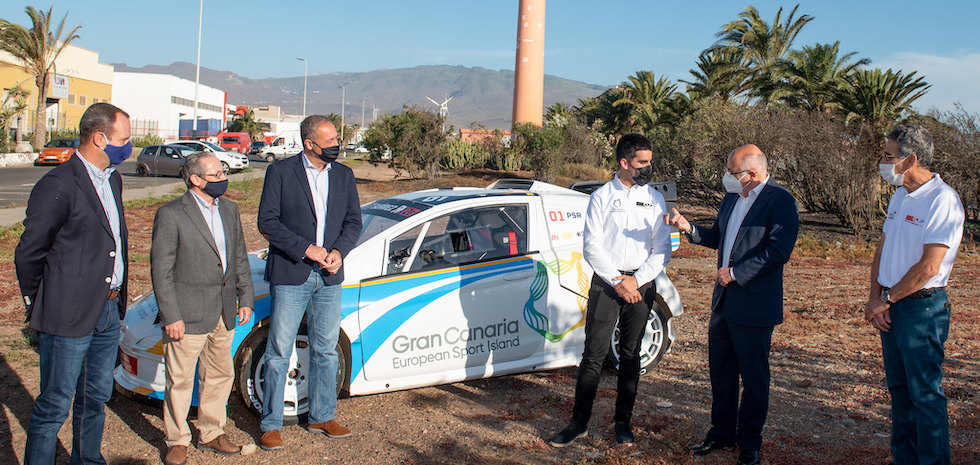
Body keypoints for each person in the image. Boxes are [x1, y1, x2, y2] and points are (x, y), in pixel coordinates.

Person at [666, 144, 799, 465]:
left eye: (731, 172)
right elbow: (720, 237)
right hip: (723, 303)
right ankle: (721, 432)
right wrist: (689, 228)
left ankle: (749, 442)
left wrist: (737, 273)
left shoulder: (780, 201)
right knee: (721, 372)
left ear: (752, 173)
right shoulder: (732, 197)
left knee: (754, 377)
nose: (726, 177)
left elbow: (778, 251)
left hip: (754, 304)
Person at [15, 103, 132, 465]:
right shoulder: (59, 184)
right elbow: (30, 252)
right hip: (66, 314)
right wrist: (42, 301)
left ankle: (87, 459)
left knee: (94, 399)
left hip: (108, 311)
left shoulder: (112, 179)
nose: (128, 147)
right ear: (99, 138)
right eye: (123, 140)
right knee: (54, 405)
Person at [549, 133, 672, 447]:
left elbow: (662, 248)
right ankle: (578, 423)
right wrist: (619, 281)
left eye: (650, 161)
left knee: (631, 356)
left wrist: (636, 280)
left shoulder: (654, 199)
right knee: (593, 355)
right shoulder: (602, 197)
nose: (648, 168)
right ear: (625, 163)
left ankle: (623, 424)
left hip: (641, 286)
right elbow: (592, 246)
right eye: (642, 162)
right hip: (607, 285)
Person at [256, 115, 362, 450]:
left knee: (326, 350)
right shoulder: (280, 172)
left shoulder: (343, 175)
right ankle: (271, 424)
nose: (336, 145)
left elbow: (353, 222)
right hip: (292, 273)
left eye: (336, 139)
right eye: (329, 141)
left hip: (329, 276)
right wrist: (307, 249)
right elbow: (267, 222)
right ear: (309, 143)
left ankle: (322, 416)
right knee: (279, 351)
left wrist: (339, 252)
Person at [864, 125, 964, 465]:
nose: (882, 161)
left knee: (924, 394)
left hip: (921, 309)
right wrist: (874, 297)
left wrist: (887, 300)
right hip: (891, 305)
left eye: (889, 156)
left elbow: (930, 266)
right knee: (900, 392)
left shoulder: (942, 200)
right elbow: (882, 248)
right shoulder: (900, 196)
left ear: (911, 160)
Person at [151, 152, 255, 465]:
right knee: (180, 381)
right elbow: (161, 271)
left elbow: (239, 257)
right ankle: (177, 440)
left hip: (224, 311)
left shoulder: (230, 210)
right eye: (216, 175)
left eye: (223, 173)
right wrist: (171, 315)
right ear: (196, 179)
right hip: (186, 315)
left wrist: (245, 297)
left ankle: (211, 432)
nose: (223, 179)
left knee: (219, 375)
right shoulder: (171, 214)